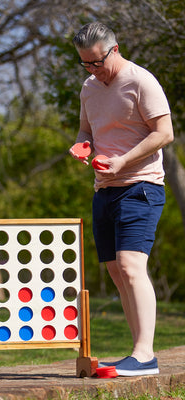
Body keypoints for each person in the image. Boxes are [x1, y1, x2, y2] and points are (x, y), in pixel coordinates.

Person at [69, 22, 174, 376]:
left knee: (131, 265)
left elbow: (165, 133)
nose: (94, 70)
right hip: (104, 189)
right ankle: (137, 353)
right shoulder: (88, 87)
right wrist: (83, 145)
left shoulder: (142, 81)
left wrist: (124, 161)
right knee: (116, 270)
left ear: (114, 49)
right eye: (86, 64)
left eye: (98, 62)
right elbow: (87, 129)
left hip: (141, 185)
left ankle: (145, 355)